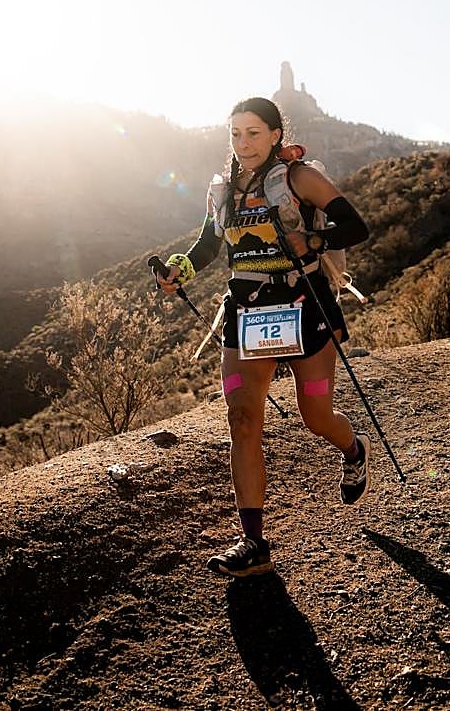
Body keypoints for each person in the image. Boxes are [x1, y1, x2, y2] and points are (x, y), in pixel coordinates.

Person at [156, 96, 371, 577]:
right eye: (235, 134)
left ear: (276, 134)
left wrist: (314, 241)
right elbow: (210, 244)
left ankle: (353, 449)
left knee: (315, 415)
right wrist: (180, 270)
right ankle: (253, 543)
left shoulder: (300, 179)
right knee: (242, 416)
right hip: (246, 314)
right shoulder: (224, 191)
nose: (243, 143)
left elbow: (356, 226)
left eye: (253, 133)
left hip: (304, 308)